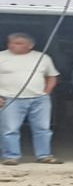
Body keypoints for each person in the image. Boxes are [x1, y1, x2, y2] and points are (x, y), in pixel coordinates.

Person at [0, 32, 62, 165]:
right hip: (10, 98)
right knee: (10, 129)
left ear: (30, 45)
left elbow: (52, 76)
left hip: (39, 99)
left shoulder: (42, 57)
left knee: (43, 128)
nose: (13, 46)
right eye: (11, 43)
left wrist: (46, 92)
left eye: (18, 43)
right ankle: (11, 156)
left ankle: (44, 155)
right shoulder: (1, 56)